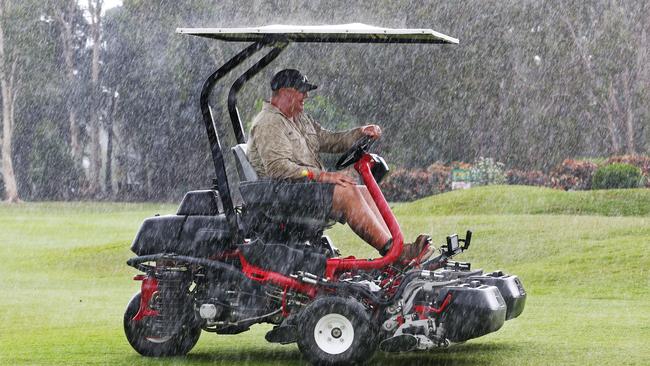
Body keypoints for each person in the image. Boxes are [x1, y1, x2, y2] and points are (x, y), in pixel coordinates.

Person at [247, 69, 433, 265]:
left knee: (363, 191)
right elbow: (279, 169)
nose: (306, 96)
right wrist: (323, 176)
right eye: (302, 90)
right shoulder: (269, 123)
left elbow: (329, 140)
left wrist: (360, 133)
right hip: (281, 195)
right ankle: (393, 253)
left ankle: (398, 248)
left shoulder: (299, 119)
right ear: (285, 92)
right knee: (346, 192)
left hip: (299, 189)